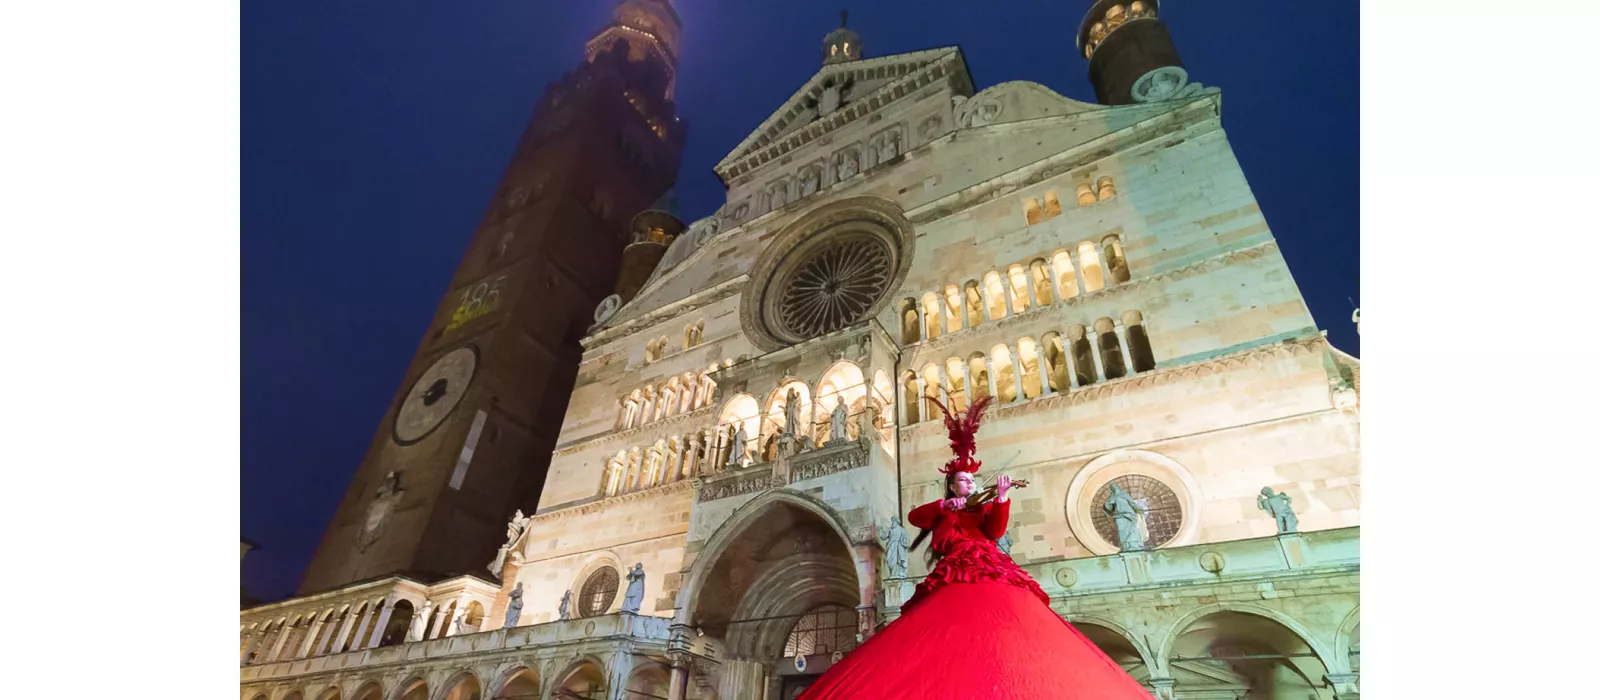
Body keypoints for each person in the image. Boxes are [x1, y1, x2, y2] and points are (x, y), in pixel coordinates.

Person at [797, 396, 1152, 699]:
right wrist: (946, 507)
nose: (968, 484)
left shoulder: (980, 506)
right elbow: (916, 516)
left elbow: (995, 530)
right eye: (962, 480)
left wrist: (1000, 498)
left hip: (986, 561)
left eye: (970, 480)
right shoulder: (945, 507)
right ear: (951, 485)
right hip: (955, 565)